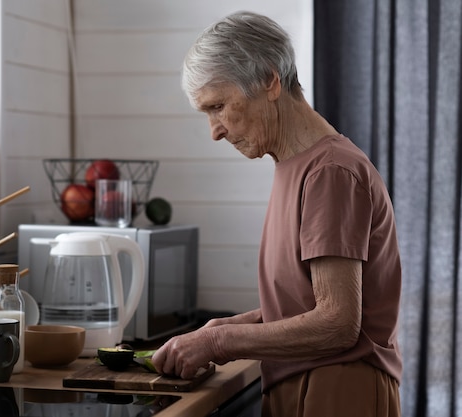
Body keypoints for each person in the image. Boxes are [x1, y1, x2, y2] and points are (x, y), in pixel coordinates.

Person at [151, 11, 402, 417]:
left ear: (269, 80)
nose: (215, 130)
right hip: (309, 381)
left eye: (218, 106)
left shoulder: (329, 171)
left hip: (338, 387)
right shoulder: (298, 164)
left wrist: (219, 344)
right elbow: (307, 302)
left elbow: (338, 323)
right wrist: (226, 327)